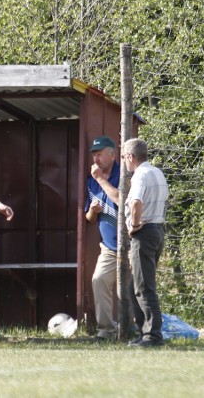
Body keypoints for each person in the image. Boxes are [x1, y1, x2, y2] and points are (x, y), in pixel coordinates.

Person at [122, 138, 169, 347]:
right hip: (157, 230)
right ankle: (143, 332)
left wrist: (134, 223)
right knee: (135, 286)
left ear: (131, 157)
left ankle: (152, 336)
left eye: (124, 157)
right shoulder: (157, 172)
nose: (124, 161)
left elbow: (136, 201)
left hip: (144, 233)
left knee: (143, 286)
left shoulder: (140, 175)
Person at [84, 135, 121, 341]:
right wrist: (92, 211)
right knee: (98, 281)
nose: (95, 159)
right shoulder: (91, 183)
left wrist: (101, 179)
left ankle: (132, 330)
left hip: (130, 245)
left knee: (132, 290)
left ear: (112, 154)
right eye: (94, 155)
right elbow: (89, 219)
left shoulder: (124, 175)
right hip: (108, 247)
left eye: (99, 154)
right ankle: (106, 331)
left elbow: (120, 199)